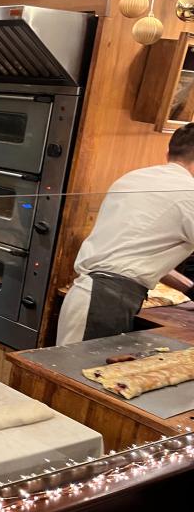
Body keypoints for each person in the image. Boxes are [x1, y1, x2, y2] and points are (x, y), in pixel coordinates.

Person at [56, 123, 194, 345]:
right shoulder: (190, 194)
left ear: (168, 152)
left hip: (89, 295)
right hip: (105, 302)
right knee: (81, 376)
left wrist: (189, 288)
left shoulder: (133, 177)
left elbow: (136, 252)